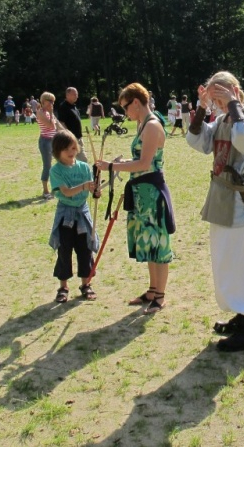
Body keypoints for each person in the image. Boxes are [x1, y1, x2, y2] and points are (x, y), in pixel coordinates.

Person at [186, 71, 244, 351]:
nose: (218, 105)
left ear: (233, 91)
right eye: (215, 100)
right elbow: (197, 141)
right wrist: (201, 108)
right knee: (226, 262)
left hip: (236, 200)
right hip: (220, 196)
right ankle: (241, 316)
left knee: (241, 264)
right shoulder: (222, 119)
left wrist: (232, 103)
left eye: (220, 98)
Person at [96, 83, 175, 314]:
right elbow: (138, 158)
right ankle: (152, 290)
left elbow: (144, 163)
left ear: (137, 103)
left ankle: (160, 297)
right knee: (148, 243)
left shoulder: (152, 126)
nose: (125, 114)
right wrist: (119, 162)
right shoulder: (142, 124)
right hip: (142, 191)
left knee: (158, 243)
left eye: (126, 108)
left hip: (152, 192)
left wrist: (113, 166)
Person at [47, 130, 100, 303]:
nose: (71, 152)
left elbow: (92, 189)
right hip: (65, 214)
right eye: (66, 149)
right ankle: (63, 287)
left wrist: (95, 190)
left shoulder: (84, 167)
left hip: (82, 212)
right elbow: (67, 192)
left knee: (85, 249)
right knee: (64, 250)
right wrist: (85, 186)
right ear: (57, 152)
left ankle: (86, 284)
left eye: (73, 148)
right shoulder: (56, 171)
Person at [36, 92, 59, 199]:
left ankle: (58, 187)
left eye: (53, 101)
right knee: (47, 166)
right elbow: (50, 125)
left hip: (54, 141)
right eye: (50, 101)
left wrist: (69, 135)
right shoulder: (41, 112)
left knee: (60, 163)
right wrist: (50, 112)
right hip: (45, 142)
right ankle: (45, 191)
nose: (52, 103)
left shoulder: (50, 113)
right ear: (43, 101)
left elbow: (56, 126)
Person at [57, 87, 88, 163]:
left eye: (77, 94)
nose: (76, 96)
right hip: (70, 139)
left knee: (81, 160)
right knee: (81, 160)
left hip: (78, 138)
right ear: (67, 95)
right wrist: (68, 136)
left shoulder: (74, 106)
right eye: (74, 94)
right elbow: (61, 123)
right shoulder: (63, 107)